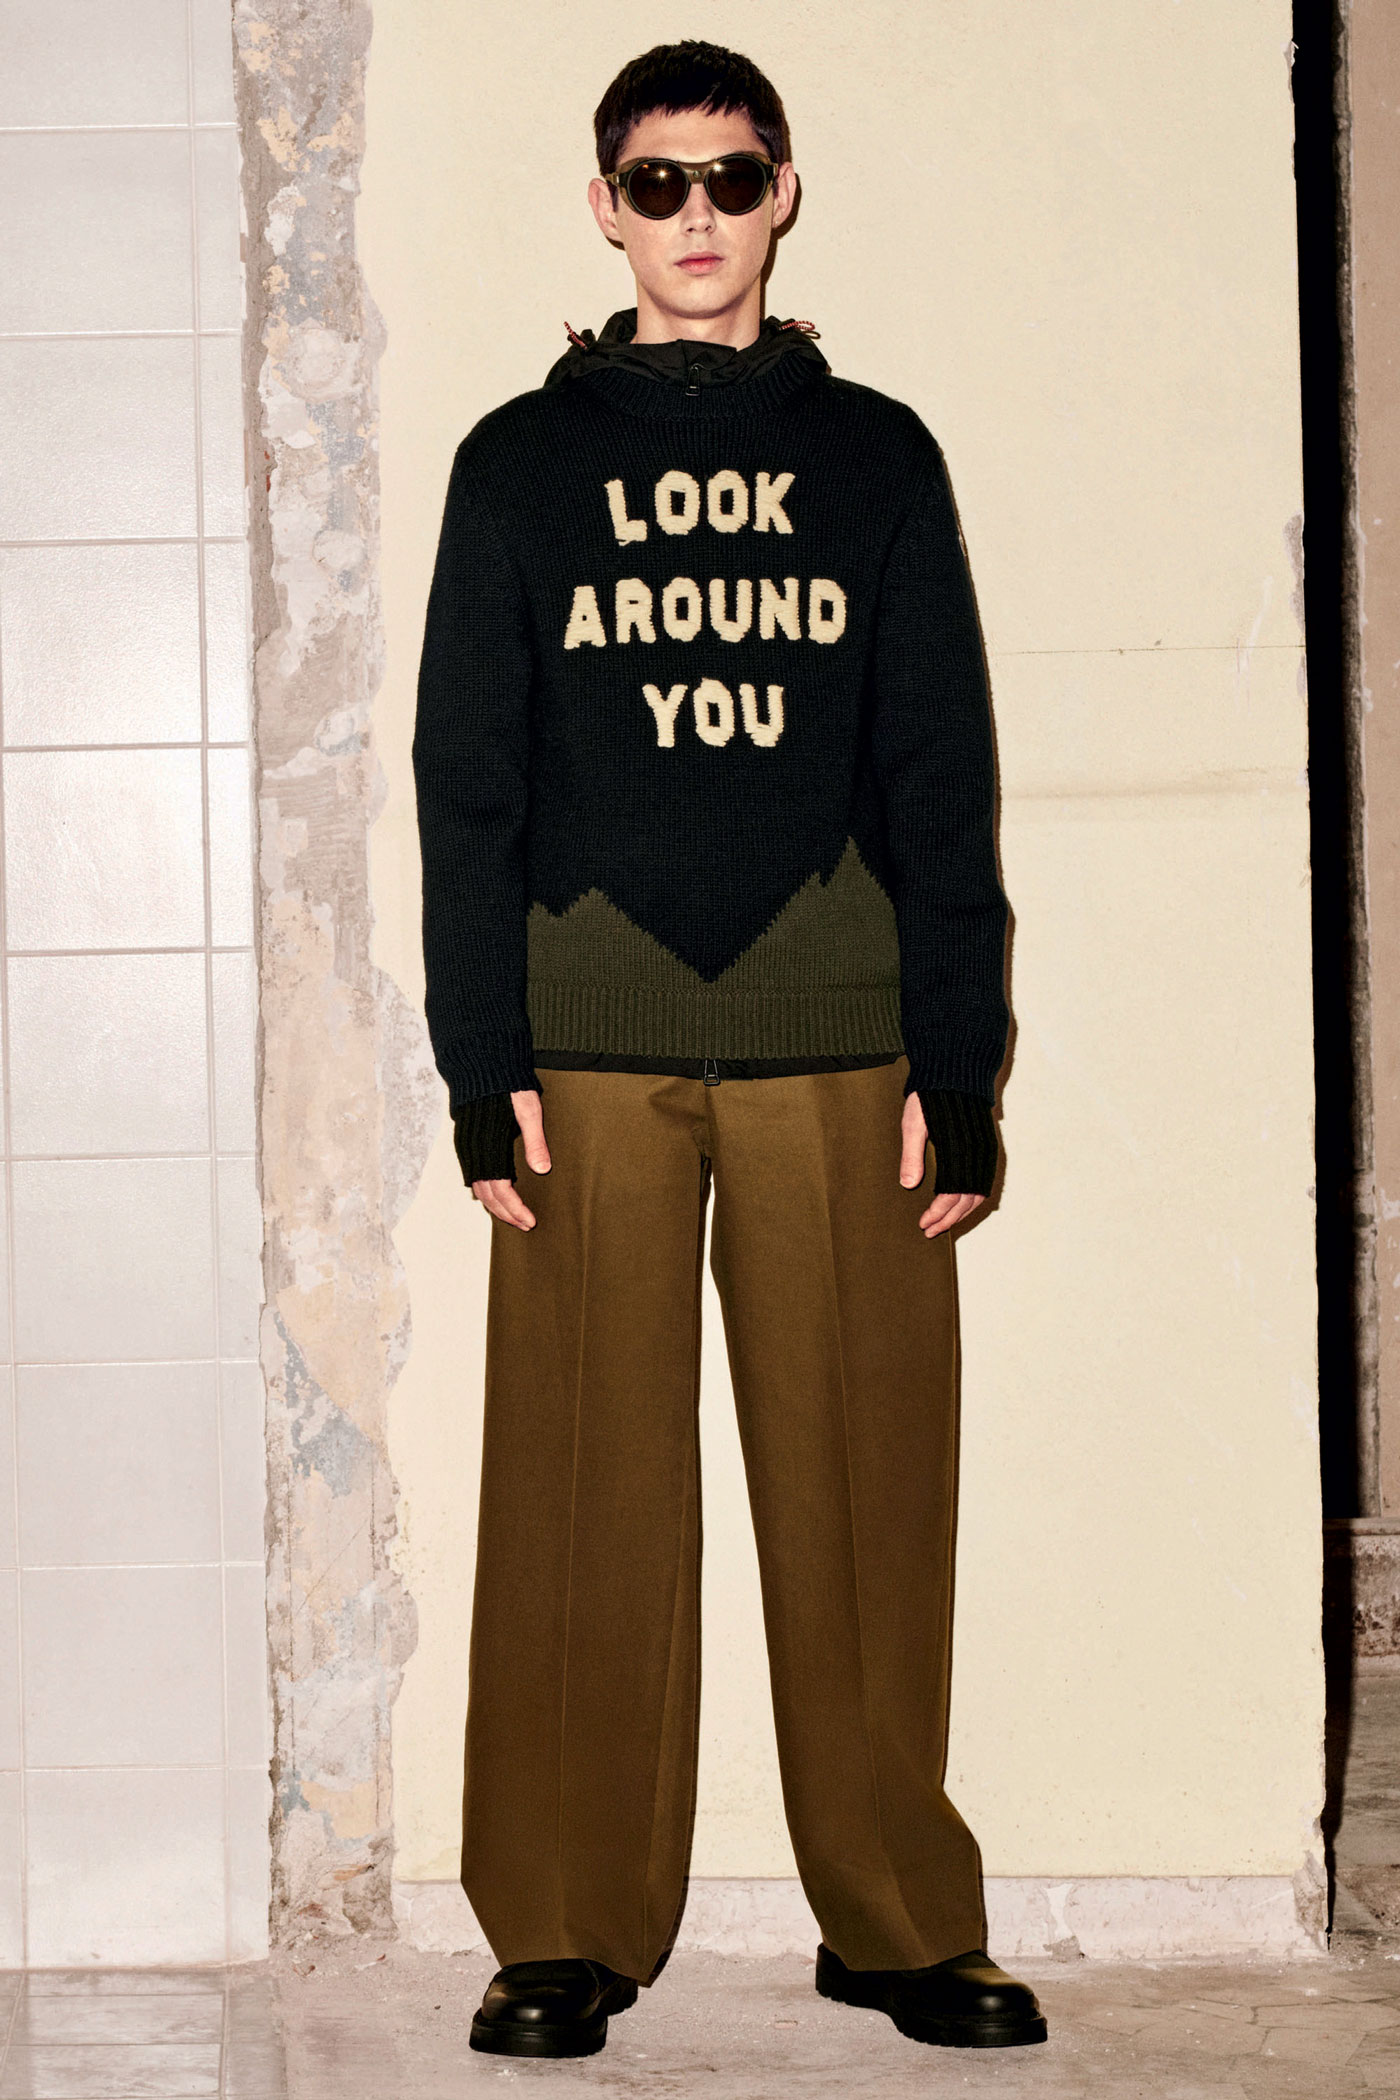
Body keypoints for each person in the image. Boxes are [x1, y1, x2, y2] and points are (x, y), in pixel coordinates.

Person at [412, 37, 1045, 2062]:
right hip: (587, 1047)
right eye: (659, 180)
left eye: (734, 175)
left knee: (866, 1488)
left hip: (835, 1040)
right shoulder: (517, 466)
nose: (699, 214)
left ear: (784, 195)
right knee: (581, 1495)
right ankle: (564, 1925)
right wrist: (477, 1051)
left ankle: (896, 1919)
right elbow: (466, 782)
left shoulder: (877, 459)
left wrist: (959, 1061)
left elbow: (939, 774)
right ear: (605, 206)